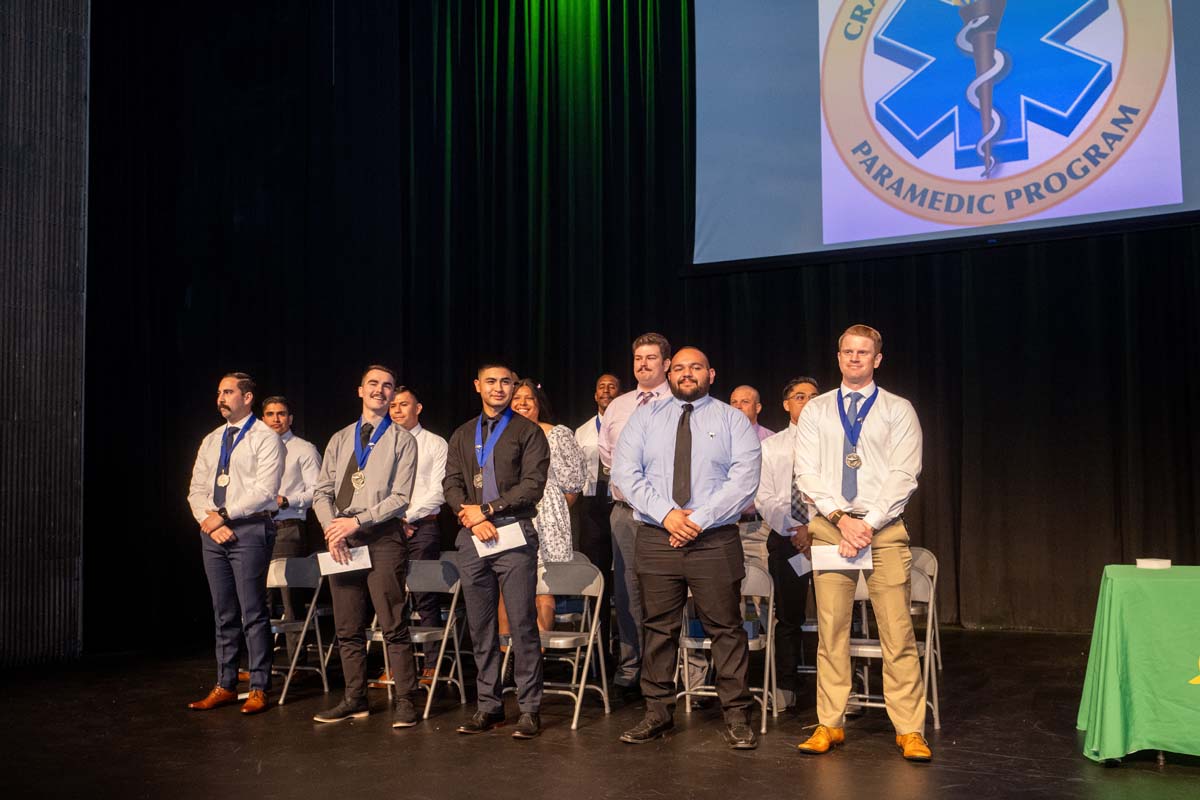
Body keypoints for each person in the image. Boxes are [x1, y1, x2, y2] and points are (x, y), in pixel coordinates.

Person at [793, 325, 931, 762]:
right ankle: (829, 724)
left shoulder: (898, 409)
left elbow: (904, 474)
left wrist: (866, 523)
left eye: (863, 352)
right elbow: (807, 473)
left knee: (897, 632)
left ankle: (909, 728)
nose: (855, 358)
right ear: (838, 358)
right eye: (848, 352)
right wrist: (839, 518)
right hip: (831, 527)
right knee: (830, 631)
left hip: (884, 529)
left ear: (877, 359)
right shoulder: (815, 410)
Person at [614, 347, 762, 749]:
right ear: (668, 372)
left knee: (726, 629)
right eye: (678, 367)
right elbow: (626, 472)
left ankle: (736, 715)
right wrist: (668, 515)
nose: (686, 373)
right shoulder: (644, 418)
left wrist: (697, 519)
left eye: (695, 367)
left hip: (713, 538)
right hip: (658, 536)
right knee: (658, 629)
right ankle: (657, 713)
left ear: (710, 373)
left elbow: (745, 478)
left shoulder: (732, 419)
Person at [444, 363, 550, 739]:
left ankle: (529, 708)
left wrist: (487, 510)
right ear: (478, 386)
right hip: (473, 538)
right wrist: (473, 519)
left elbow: (533, 486)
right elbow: (452, 485)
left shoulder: (529, 432)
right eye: (491, 381)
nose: (499, 388)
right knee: (481, 626)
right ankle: (488, 706)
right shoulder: (461, 434)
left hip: (514, 534)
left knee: (522, 624)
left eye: (506, 382)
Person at [311, 365, 421, 728]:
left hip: (382, 536)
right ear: (361, 390)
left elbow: (401, 498)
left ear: (392, 395)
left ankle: (406, 700)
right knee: (347, 626)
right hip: (342, 538)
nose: (380, 390)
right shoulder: (341, 438)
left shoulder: (403, 440)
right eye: (373, 384)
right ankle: (354, 699)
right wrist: (333, 528)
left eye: (387, 386)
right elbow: (322, 492)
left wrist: (357, 520)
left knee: (392, 622)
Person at [186, 372, 285, 715]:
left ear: (247, 398)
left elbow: (264, 491)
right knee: (223, 612)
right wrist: (209, 523)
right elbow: (196, 489)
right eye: (218, 392)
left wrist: (223, 516)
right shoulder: (212, 439)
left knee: (252, 612)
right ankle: (225, 684)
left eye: (228, 392)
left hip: (250, 530)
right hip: (214, 532)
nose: (221, 398)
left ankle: (258, 686)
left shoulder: (265, 437)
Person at [598, 332, 672, 695]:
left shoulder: (679, 402)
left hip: (665, 516)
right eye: (638, 358)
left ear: (666, 364)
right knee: (627, 591)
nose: (643, 364)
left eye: (651, 358)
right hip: (625, 513)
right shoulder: (619, 405)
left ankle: (665, 670)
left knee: (664, 590)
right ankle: (631, 665)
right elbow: (607, 456)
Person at [754, 376, 820, 709]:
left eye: (813, 396)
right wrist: (795, 529)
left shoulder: (833, 444)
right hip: (787, 541)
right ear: (786, 404)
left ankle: (841, 690)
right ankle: (786, 686)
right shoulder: (771, 446)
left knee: (838, 617)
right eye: (799, 396)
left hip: (827, 539)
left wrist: (814, 528)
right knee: (788, 616)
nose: (806, 402)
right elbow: (764, 496)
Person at [503, 379, 586, 634]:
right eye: (516, 399)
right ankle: (507, 662)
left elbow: (573, 484)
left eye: (529, 399)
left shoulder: (556, 434)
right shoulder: (497, 437)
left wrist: (554, 513)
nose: (522, 404)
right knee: (505, 590)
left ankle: (535, 659)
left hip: (545, 520)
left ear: (539, 404)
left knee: (542, 588)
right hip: (507, 516)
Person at [261, 395, 322, 663]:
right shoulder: (255, 449)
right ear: (262, 418)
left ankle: (297, 660)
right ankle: (260, 662)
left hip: (287, 526)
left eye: (281, 413)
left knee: (289, 598)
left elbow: (317, 492)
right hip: (256, 528)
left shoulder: (303, 449)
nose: (276, 418)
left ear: (290, 418)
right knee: (258, 597)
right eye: (270, 414)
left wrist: (287, 500)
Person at [389, 386, 448, 629]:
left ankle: (432, 663)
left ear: (418, 408)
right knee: (391, 597)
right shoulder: (381, 444)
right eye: (392, 405)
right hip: (389, 528)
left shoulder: (435, 443)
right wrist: (394, 521)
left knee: (424, 594)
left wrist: (407, 518)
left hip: (423, 527)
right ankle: (398, 662)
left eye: (403, 404)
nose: (397, 410)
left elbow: (439, 491)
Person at [574, 373, 621, 658]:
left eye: (612, 386)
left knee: (627, 580)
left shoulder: (630, 423)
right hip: (592, 507)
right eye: (601, 386)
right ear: (595, 395)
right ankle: (600, 651)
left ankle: (629, 650)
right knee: (598, 578)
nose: (606, 390)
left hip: (621, 503)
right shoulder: (581, 432)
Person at [729, 385, 774, 571]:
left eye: (745, 402)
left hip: (758, 525)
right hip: (726, 526)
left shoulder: (771, 440)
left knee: (760, 588)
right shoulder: (718, 439)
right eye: (733, 402)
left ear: (758, 408)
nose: (738, 406)